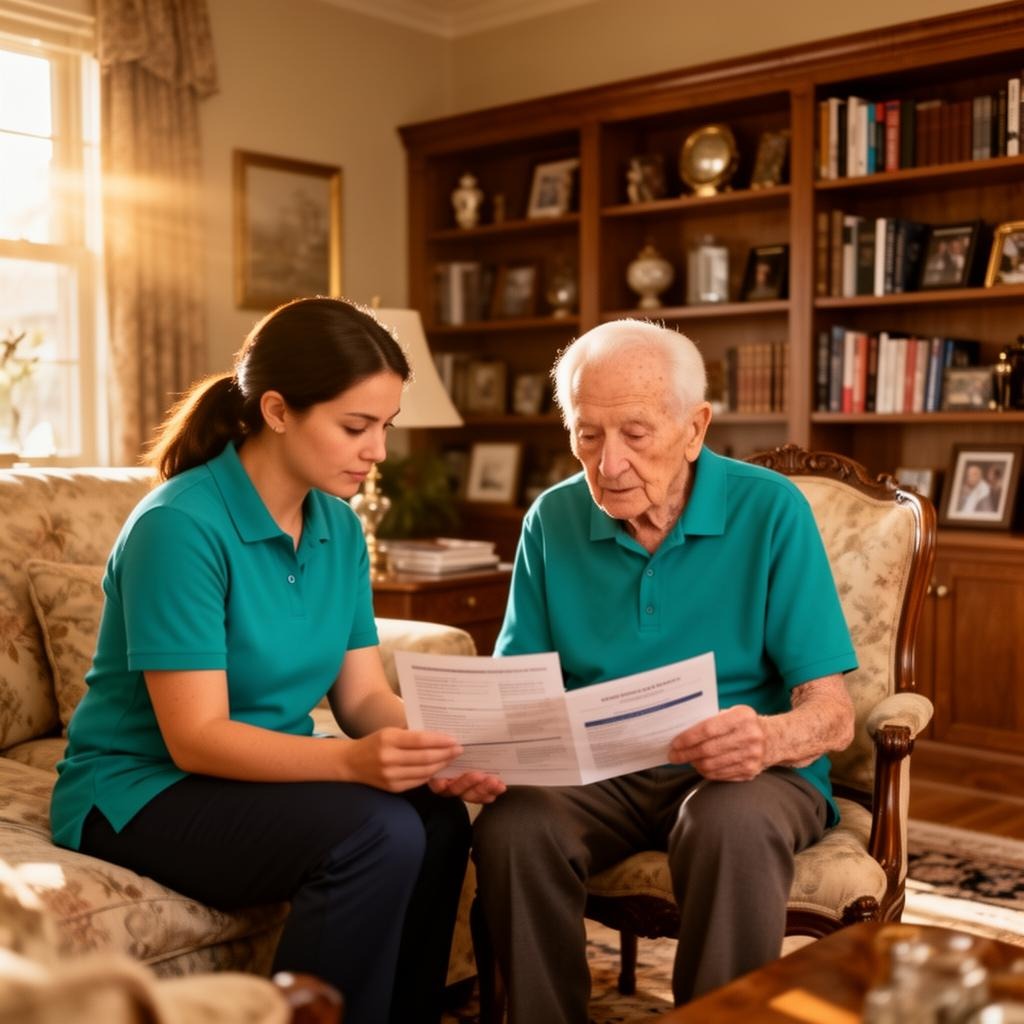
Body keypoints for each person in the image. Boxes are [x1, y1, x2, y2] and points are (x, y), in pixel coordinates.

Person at [50, 297, 505, 1024]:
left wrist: (442, 745)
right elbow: (195, 738)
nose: (378, 450)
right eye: (356, 427)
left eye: (384, 427)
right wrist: (354, 766)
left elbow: (362, 700)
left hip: (257, 773)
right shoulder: (180, 526)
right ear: (278, 410)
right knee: (377, 834)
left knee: (439, 816)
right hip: (140, 791)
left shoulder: (338, 526)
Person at [471, 318, 858, 1022]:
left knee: (729, 825)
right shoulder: (552, 519)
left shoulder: (771, 511)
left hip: (745, 775)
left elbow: (833, 711)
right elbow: (518, 692)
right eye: (587, 434)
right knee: (513, 827)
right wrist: (481, 749)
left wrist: (767, 739)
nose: (608, 462)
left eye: (636, 434)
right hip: (599, 775)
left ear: (695, 426)